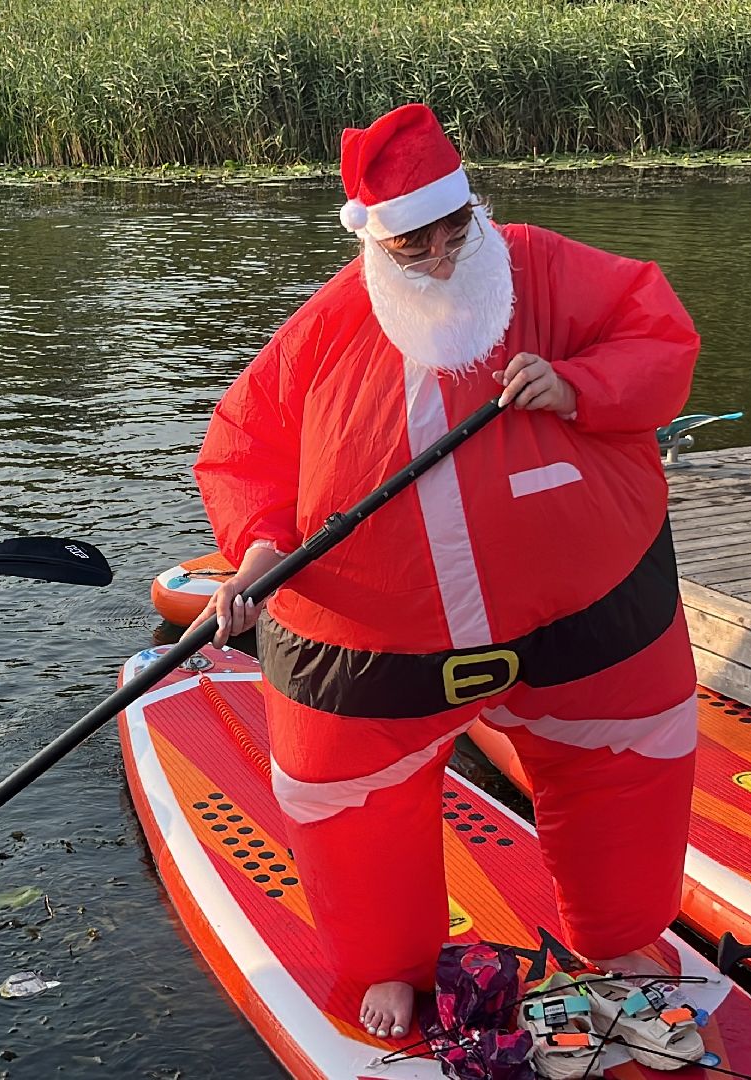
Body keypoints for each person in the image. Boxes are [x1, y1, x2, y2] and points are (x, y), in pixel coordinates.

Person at [190, 103, 701, 1042]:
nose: (436, 259)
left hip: (592, 618)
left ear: (476, 211)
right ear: (373, 244)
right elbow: (242, 447)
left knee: (628, 763)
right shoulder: (324, 329)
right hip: (376, 651)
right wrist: (257, 547)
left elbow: (660, 340)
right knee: (351, 802)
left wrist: (584, 387)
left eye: (452, 233)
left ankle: (622, 931)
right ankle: (390, 963)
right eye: (411, 245)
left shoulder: (549, 269)